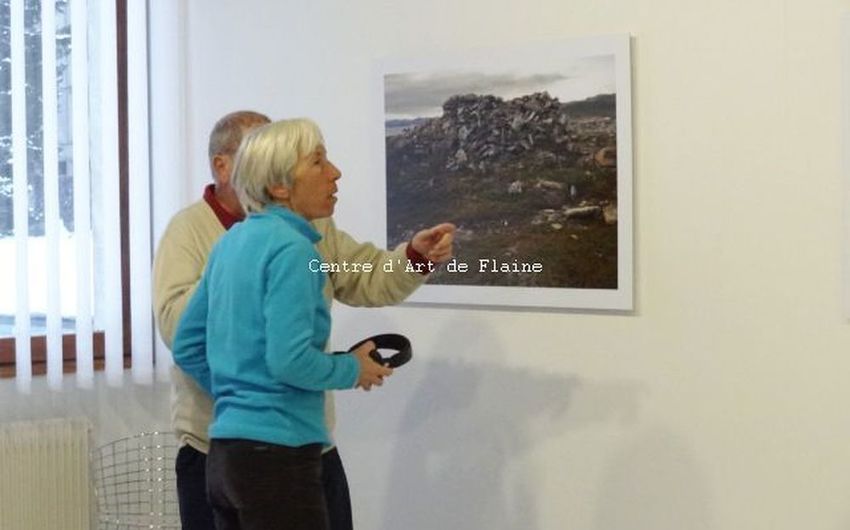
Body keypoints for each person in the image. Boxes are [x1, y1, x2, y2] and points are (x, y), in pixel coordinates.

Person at [152, 111, 454, 530]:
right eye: (317, 161)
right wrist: (351, 368)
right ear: (269, 180)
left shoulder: (240, 242)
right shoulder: (277, 247)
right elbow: (285, 358)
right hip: (266, 453)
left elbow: (363, 275)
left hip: (237, 450)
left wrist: (414, 258)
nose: (334, 172)